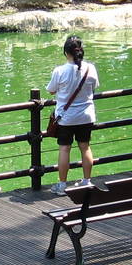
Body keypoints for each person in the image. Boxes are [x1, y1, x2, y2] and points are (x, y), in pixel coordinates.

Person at [46, 35, 99, 195]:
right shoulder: (90, 68)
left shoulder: (59, 71)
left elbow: (51, 90)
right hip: (86, 115)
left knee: (64, 149)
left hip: (66, 118)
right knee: (85, 147)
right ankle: (87, 181)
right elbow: (95, 86)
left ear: (65, 52)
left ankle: (62, 186)